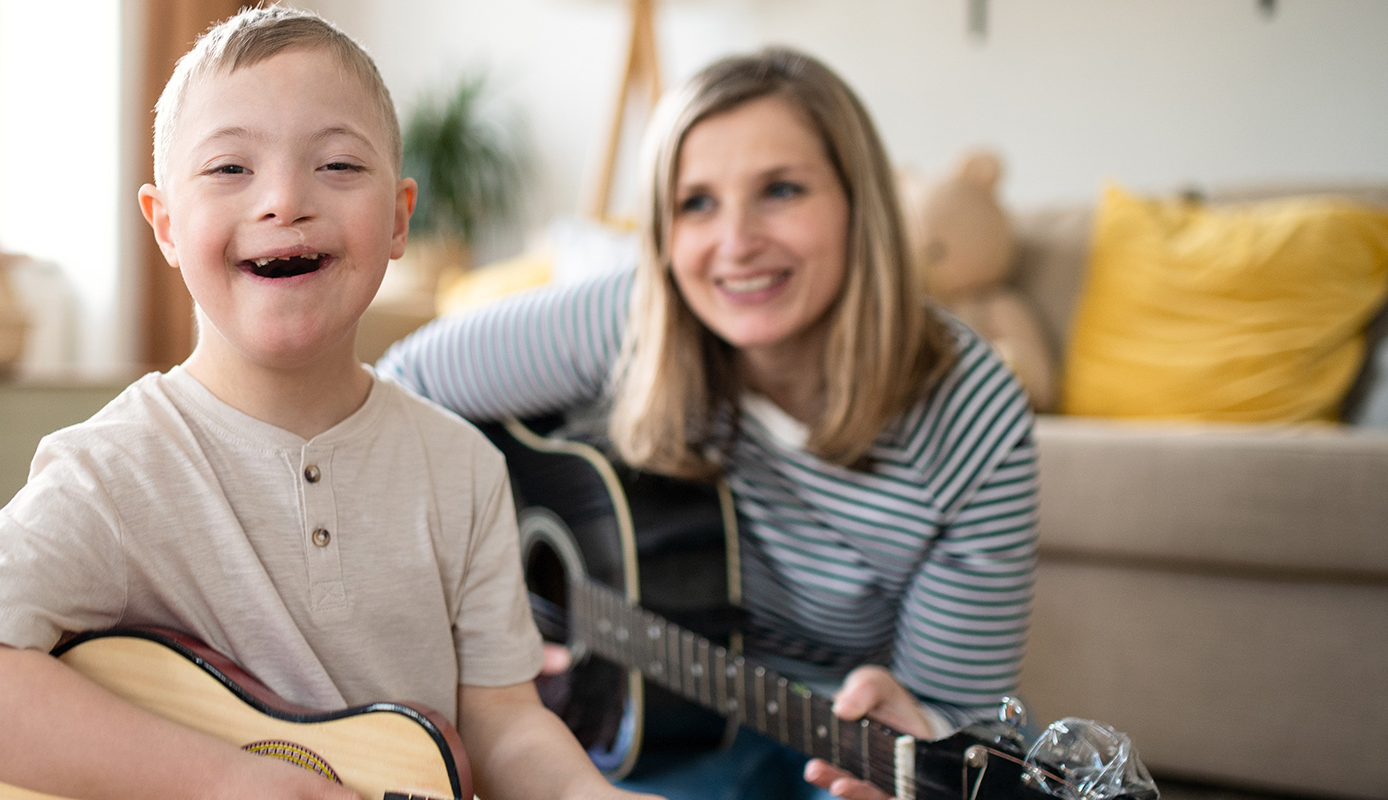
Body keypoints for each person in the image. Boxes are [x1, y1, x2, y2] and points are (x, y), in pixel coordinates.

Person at [0, 9, 660, 800]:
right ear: (167, 226)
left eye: (340, 165)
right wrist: (227, 782)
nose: (284, 200)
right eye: (229, 169)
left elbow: (504, 725)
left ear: (398, 217)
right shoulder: (114, 470)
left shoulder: (465, 469)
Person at [376, 46, 1037, 800]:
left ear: (862, 206)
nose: (736, 243)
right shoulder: (631, 315)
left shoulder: (975, 417)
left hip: (824, 744)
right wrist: (482, 595)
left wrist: (920, 728)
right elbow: (401, 387)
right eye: (696, 203)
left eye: (781, 190)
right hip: (633, 727)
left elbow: (953, 719)